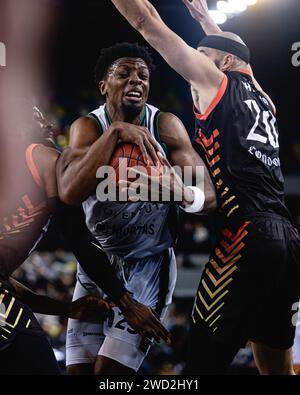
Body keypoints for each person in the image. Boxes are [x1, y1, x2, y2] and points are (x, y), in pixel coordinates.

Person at [110, 0, 300, 375]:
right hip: (289, 240)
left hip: (247, 234)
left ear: (222, 64)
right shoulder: (266, 101)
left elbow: (147, 23)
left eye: (201, 54)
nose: (193, 60)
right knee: (275, 365)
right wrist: (207, 22)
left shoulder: (215, 80)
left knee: (200, 364)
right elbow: (241, 58)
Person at [56, 42, 216, 375]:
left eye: (143, 75)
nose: (136, 81)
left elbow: (209, 197)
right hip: (97, 264)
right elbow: (70, 193)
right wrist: (115, 133)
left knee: (108, 376)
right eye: (124, 73)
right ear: (104, 86)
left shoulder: (165, 126)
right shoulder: (88, 128)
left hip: (148, 266)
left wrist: (182, 193)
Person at [0, 103, 170, 374]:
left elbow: (4, 282)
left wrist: (66, 309)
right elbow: (75, 234)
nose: (47, 124)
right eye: (34, 118)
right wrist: (127, 304)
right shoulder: (41, 156)